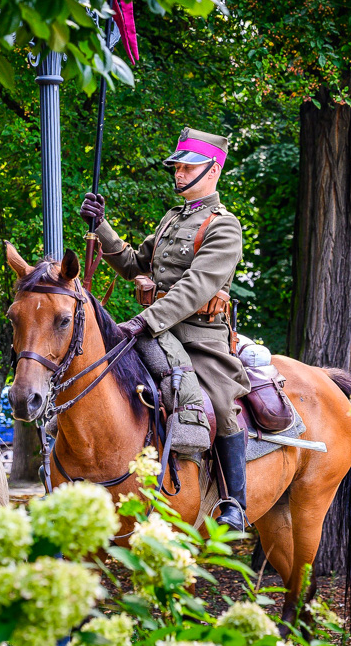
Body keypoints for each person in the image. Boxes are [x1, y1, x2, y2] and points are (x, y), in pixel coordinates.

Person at [80, 127, 250, 531]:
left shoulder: (224, 226)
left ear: (213, 170)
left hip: (200, 338)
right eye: (176, 166)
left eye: (187, 166)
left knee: (221, 405)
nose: (178, 173)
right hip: (154, 329)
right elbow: (133, 264)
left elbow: (195, 288)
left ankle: (234, 502)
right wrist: (101, 225)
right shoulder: (172, 219)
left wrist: (146, 319)